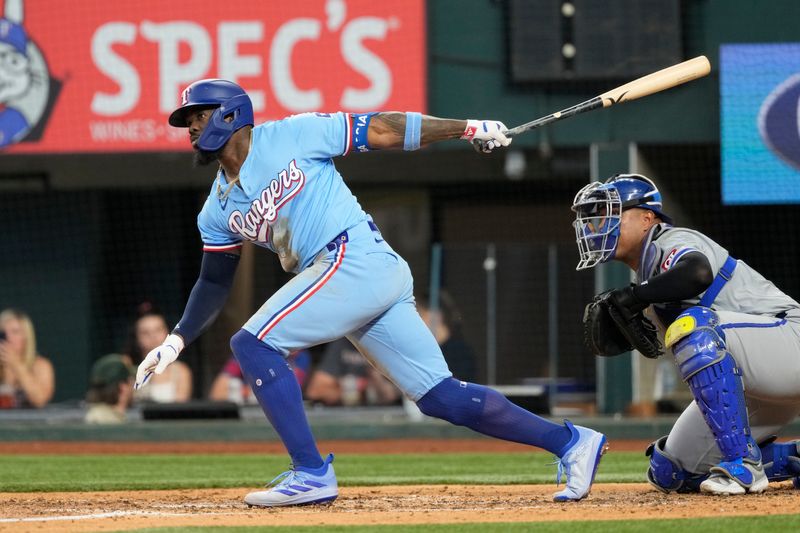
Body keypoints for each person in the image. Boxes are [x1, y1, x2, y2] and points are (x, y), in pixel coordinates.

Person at [134, 78, 607, 507]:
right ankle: (572, 442)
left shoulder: (292, 134)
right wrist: (175, 341)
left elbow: (381, 128)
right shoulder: (215, 209)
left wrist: (467, 128)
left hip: (351, 256)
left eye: (200, 116)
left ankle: (312, 472)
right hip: (355, 276)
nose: (192, 128)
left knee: (253, 343)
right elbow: (215, 279)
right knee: (440, 398)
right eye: (187, 122)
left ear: (231, 114)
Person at [572, 173, 800, 496]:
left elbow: (697, 272)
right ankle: (792, 459)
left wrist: (635, 297)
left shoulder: (671, 240)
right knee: (672, 470)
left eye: (613, 213)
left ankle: (744, 465)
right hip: (752, 380)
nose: (599, 225)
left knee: (693, 327)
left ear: (647, 218)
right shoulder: (650, 272)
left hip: (789, 341)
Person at [304, 338, 401, 406]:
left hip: (385, 414)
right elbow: (315, 391)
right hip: (347, 414)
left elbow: (392, 395)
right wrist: (355, 390)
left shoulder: (388, 344)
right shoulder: (343, 342)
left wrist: (376, 380)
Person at [124, 308, 192, 404]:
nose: (153, 336)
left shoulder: (181, 371)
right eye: (145, 332)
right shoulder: (129, 370)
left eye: (158, 330)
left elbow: (179, 410)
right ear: (136, 338)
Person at [210, 349, 311, 405]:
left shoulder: (300, 357)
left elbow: (288, 393)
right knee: (234, 385)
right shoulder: (247, 350)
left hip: (277, 412)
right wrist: (245, 392)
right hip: (245, 407)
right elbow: (217, 393)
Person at [416, 292, 477, 382]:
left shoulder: (459, 352)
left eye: (421, 315)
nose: (417, 323)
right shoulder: (429, 351)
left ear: (436, 316)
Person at [0, 309, 54, 408]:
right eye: (3, 333)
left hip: (28, 422)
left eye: (15, 332)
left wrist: (16, 365)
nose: (8, 337)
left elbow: (40, 399)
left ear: (26, 336)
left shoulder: (40, 365)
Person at [85, 354, 135, 424]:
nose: (134, 389)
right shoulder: (103, 420)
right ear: (122, 388)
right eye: (131, 382)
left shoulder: (98, 414)